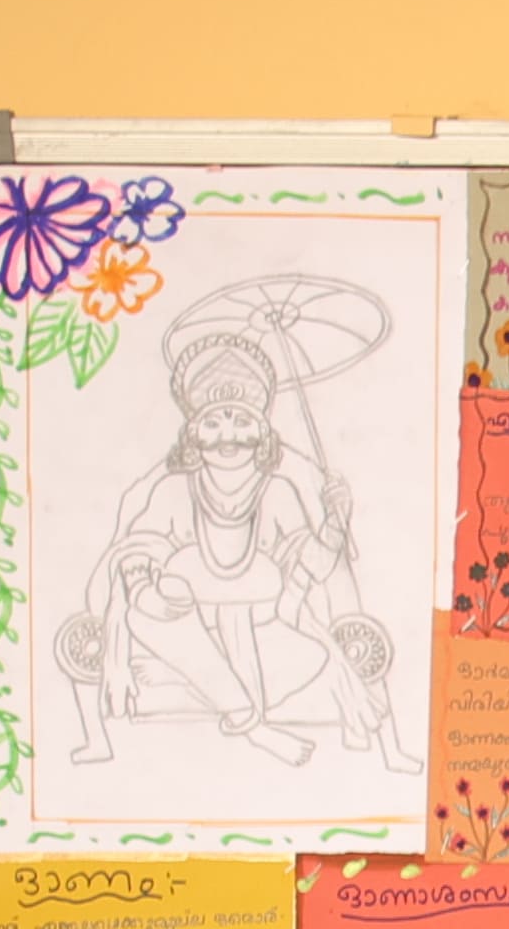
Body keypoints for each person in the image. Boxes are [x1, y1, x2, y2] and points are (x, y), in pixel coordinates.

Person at [60, 286, 411, 773]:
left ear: (262, 433)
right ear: (193, 435)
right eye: (214, 423)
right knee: (142, 619)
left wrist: (336, 518)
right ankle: (251, 722)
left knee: (310, 655)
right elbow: (136, 552)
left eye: (240, 421)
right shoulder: (174, 490)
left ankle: (245, 710)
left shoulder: (279, 492)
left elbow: (313, 564)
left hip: (268, 635)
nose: (228, 435)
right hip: (186, 633)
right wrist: (148, 595)